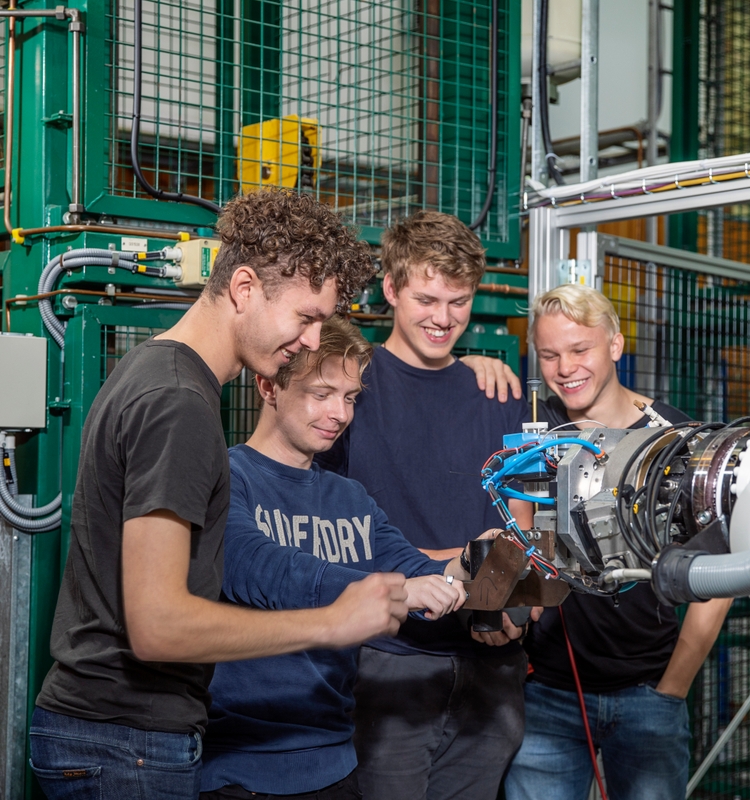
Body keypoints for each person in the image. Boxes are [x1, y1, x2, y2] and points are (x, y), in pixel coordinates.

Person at [29, 189, 411, 800]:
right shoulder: (178, 405)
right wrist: (330, 622)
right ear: (243, 288)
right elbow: (157, 625)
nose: (313, 341)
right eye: (305, 318)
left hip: (115, 738)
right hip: (125, 744)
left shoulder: (153, 369)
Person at [200, 316, 468, 800]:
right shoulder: (229, 476)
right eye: (321, 394)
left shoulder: (351, 498)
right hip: (240, 768)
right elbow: (256, 566)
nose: (339, 414)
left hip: (335, 763)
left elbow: (415, 569)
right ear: (268, 386)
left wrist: (474, 562)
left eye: (349, 398)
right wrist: (393, 591)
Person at [315, 210, 533, 800]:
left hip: (490, 663)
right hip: (389, 662)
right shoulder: (349, 388)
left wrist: (512, 608)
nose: (442, 318)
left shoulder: (499, 391)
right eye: (427, 298)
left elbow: (521, 523)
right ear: (390, 288)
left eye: (458, 301)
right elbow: (329, 529)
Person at [503, 284, 733, 800]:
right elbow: (515, 543)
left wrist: (673, 687)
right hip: (548, 696)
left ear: (614, 345)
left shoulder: (674, 438)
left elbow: (719, 576)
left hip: (649, 691)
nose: (565, 368)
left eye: (579, 349)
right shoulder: (537, 435)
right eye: (549, 355)